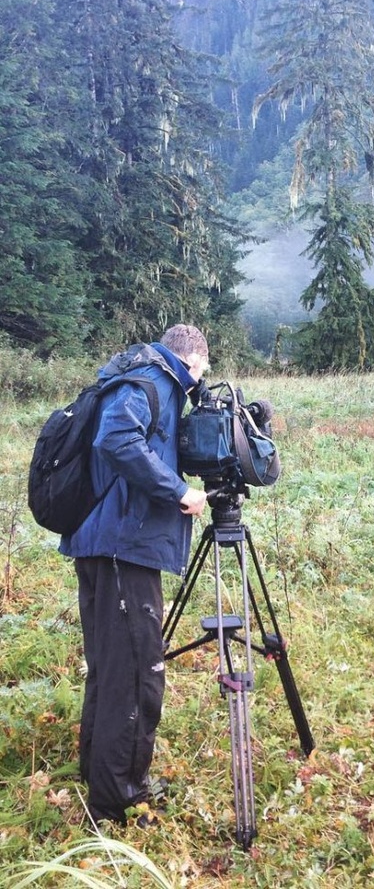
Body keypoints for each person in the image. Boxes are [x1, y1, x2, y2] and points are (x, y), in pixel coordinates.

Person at [60, 324, 209, 826]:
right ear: (192, 359)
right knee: (136, 670)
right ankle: (119, 798)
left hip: (107, 542)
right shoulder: (152, 380)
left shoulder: (136, 375)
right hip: (125, 546)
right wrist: (179, 491)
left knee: (110, 664)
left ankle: (100, 775)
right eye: (202, 373)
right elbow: (117, 440)